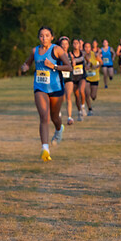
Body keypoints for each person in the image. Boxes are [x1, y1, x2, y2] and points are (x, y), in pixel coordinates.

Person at [22, 27, 72, 161]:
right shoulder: (35, 51)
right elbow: (27, 63)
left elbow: (69, 67)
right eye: (41, 36)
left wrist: (53, 66)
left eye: (47, 35)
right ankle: (45, 149)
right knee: (44, 116)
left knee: (55, 117)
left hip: (56, 88)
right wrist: (25, 67)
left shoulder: (57, 50)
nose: (44, 38)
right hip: (40, 87)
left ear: (52, 37)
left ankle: (59, 129)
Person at [58, 36, 75, 125]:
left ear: (68, 45)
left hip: (69, 78)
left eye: (66, 44)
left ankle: (69, 117)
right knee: (61, 97)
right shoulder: (57, 55)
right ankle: (58, 112)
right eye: (63, 44)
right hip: (59, 78)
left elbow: (73, 66)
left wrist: (73, 61)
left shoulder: (70, 55)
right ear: (60, 45)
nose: (64, 46)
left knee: (68, 96)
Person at [69, 38, 87, 121]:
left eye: (77, 43)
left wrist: (88, 65)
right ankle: (79, 112)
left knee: (81, 91)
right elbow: (68, 65)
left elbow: (88, 60)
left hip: (82, 76)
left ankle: (83, 106)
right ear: (72, 45)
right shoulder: (70, 54)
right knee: (76, 96)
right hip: (74, 77)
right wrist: (71, 62)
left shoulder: (83, 53)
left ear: (80, 45)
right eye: (74, 43)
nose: (76, 44)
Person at [84, 42, 102, 115]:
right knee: (87, 93)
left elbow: (101, 62)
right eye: (85, 47)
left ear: (90, 48)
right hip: (86, 77)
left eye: (88, 47)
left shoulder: (94, 54)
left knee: (93, 96)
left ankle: (92, 100)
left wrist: (96, 66)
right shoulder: (82, 56)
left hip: (95, 77)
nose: (87, 48)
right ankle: (90, 109)